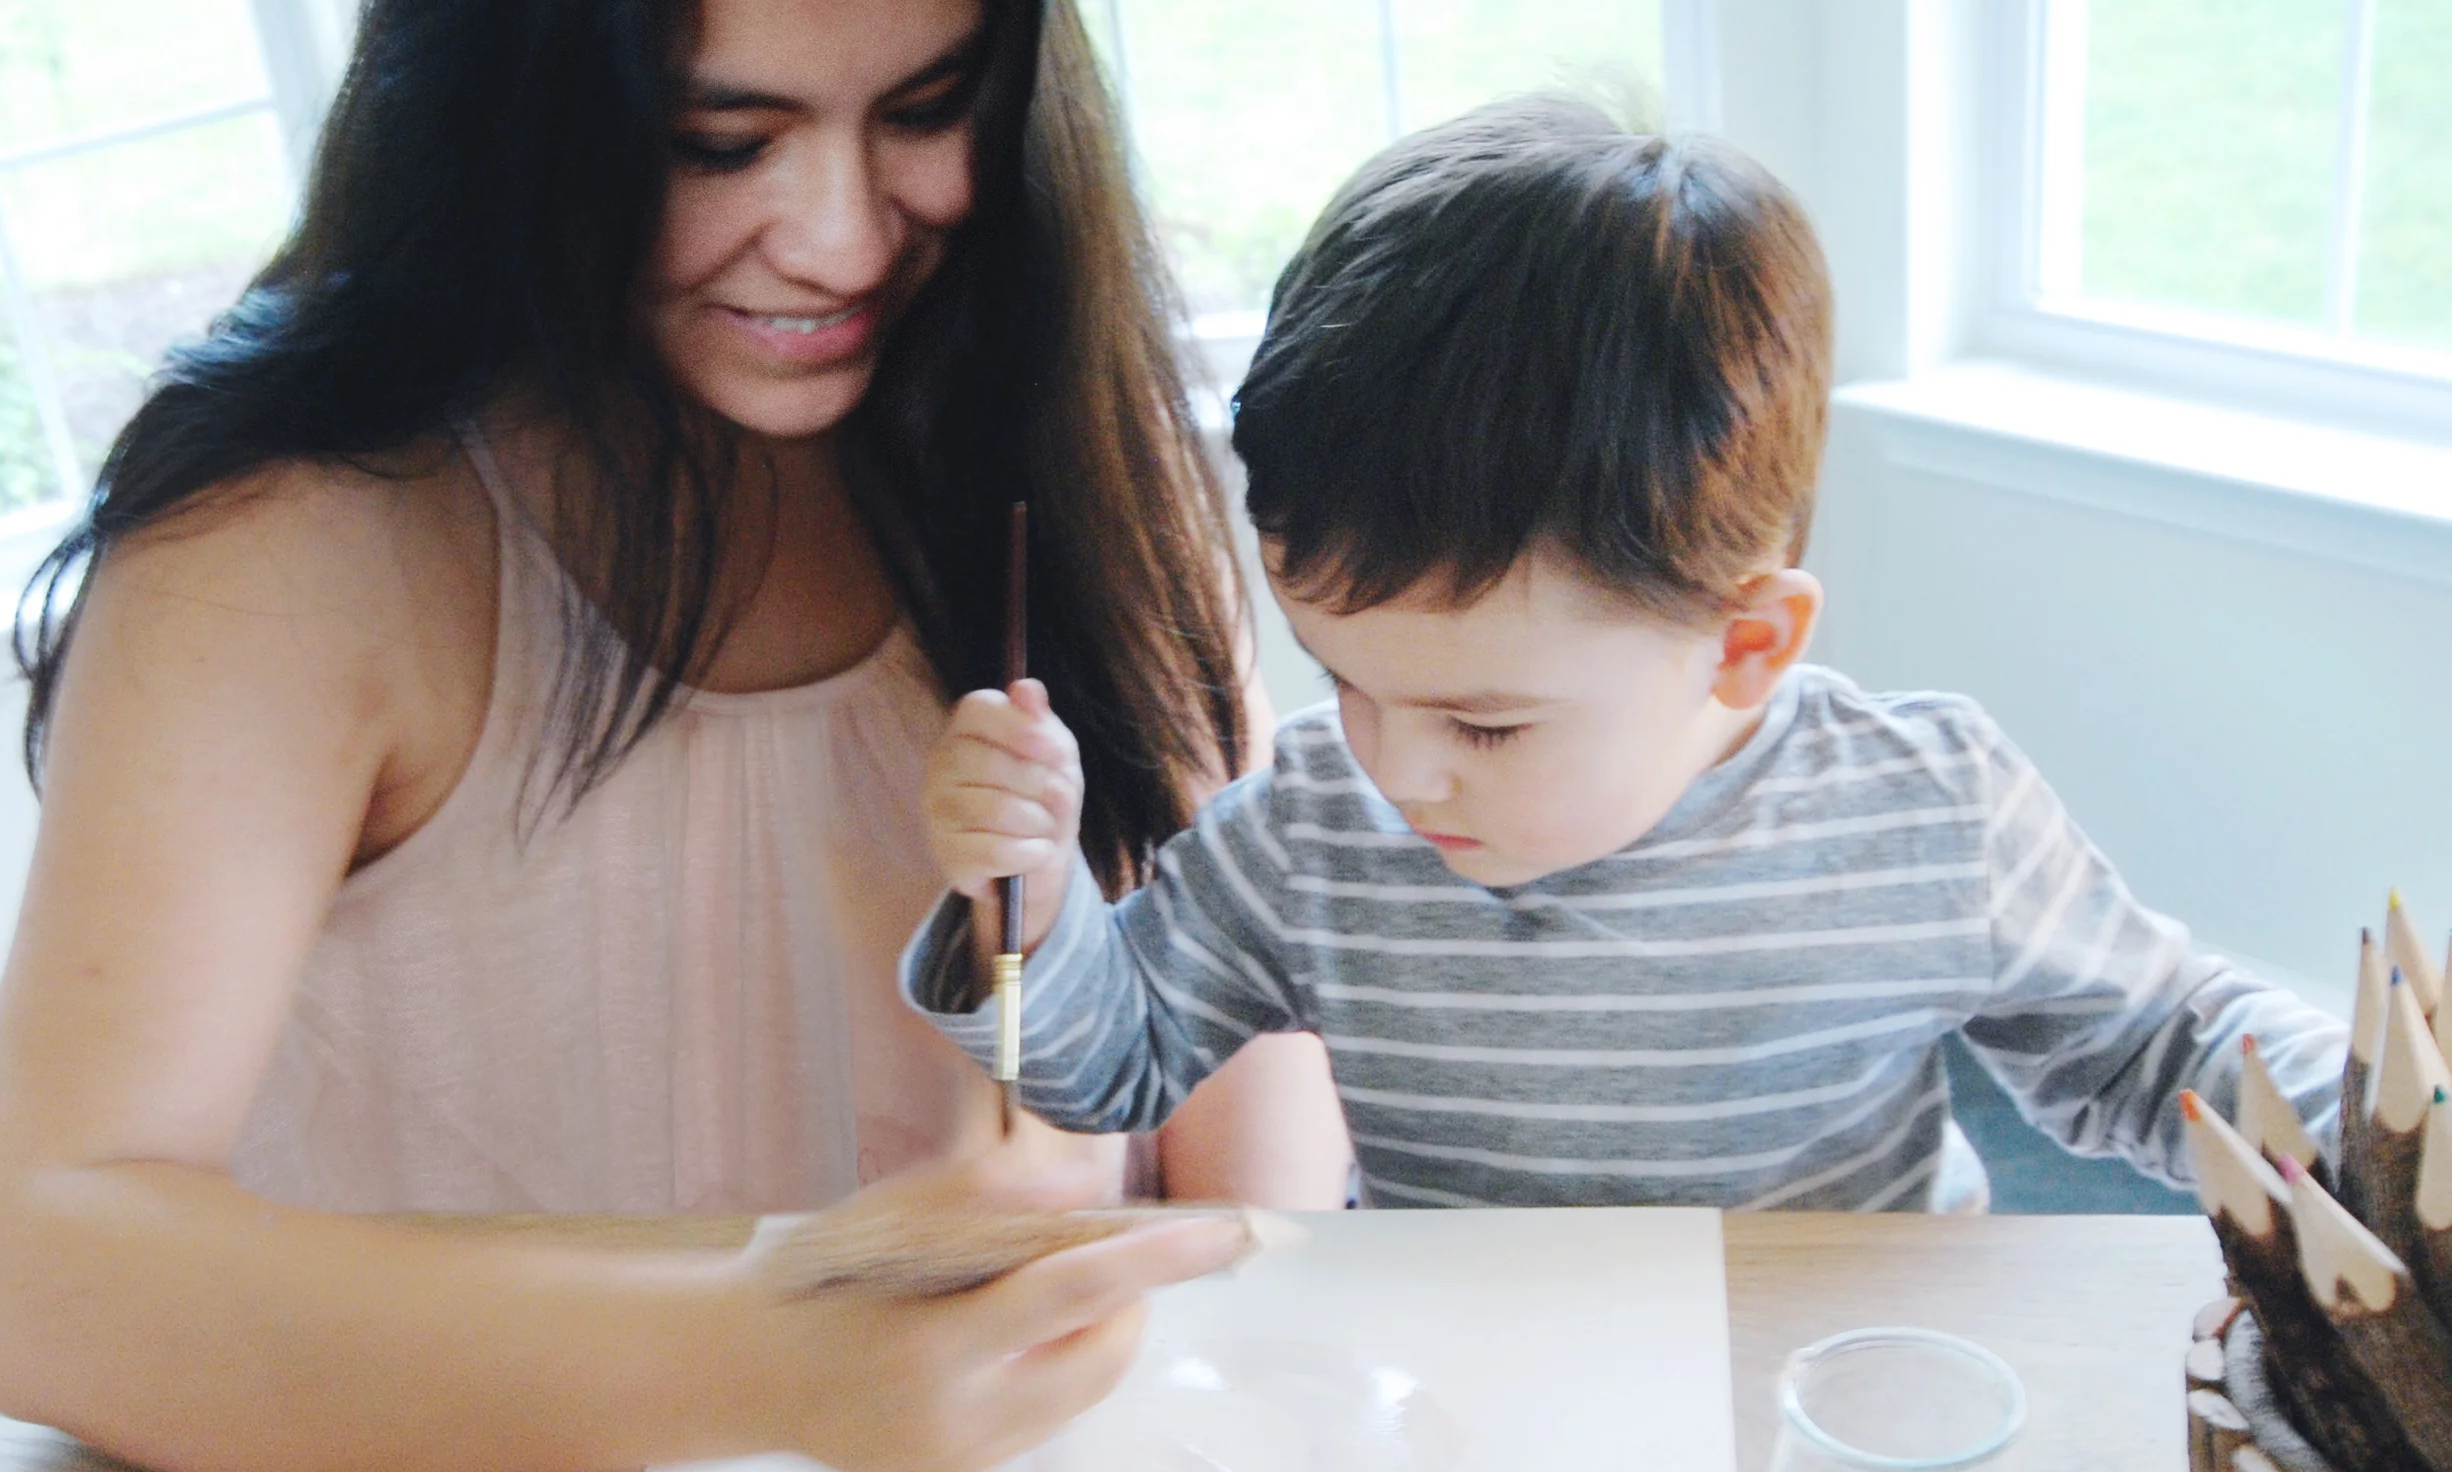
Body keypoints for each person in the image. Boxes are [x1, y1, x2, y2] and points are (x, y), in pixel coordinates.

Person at [0, 0, 1347, 1472]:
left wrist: (1267, 1322)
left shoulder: (1070, 434)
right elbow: (37, 1271)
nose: (841, 238)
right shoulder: (294, 546)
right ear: (507, 98)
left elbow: (1250, 1066)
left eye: (925, 110)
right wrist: (765, 1350)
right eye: (717, 138)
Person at [908, 94, 2345, 1210]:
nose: (1392, 766)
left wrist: (2379, 1134)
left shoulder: (1930, 810)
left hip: (1828, 1408)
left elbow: (2165, 1044)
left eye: (1484, 724)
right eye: (1343, 678)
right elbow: (1111, 1068)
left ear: (1748, 642)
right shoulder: (1308, 830)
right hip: (1495, 1408)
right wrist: (1029, 909)